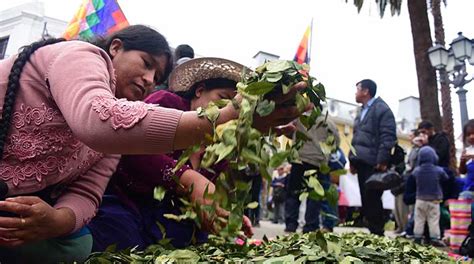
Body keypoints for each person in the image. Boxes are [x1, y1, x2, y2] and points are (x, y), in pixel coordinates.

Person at [0, 25, 306, 262]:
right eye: (145, 64)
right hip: (126, 202)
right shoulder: (82, 56)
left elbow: (87, 190)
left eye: (156, 74)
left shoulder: (218, 146)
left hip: (22, 201)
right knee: (118, 232)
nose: (149, 79)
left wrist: (56, 220)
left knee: (81, 243)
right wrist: (226, 119)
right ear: (115, 48)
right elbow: (99, 122)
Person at [88, 57, 253, 251]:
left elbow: (212, 192)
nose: (229, 111)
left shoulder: (223, 144)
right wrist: (186, 176)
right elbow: (133, 146)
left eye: (237, 108)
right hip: (129, 202)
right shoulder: (167, 103)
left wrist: (223, 213)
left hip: (172, 219)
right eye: (222, 98)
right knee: (122, 242)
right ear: (199, 90)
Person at [349, 79, 397, 236]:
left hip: (374, 162)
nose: (355, 93)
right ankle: (373, 231)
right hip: (361, 161)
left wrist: (382, 159)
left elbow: (388, 135)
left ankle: (378, 233)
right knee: (365, 198)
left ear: (365, 91)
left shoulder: (382, 109)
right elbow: (356, 138)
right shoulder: (361, 111)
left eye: (357, 89)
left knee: (373, 198)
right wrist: (352, 160)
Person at [284, 115, 340, 233]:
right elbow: (336, 141)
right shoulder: (328, 122)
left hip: (299, 160)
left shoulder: (299, 118)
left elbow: (287, 131)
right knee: (314, 197)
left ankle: (291, 224)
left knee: (294, 193)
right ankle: (310, 226)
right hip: (317, 163)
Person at [412, 146, 448, 247]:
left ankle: (417, 237)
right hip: (434, 200)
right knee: (433, 220)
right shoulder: (438, 170)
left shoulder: (417, 171)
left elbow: (412, 176)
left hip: (420, 199)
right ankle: (435, 238)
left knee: (419, 219)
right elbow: (446, 178)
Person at [459, 119, 474, 195]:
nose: (471, 136)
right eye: (468, 134)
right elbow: (462, 172)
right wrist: (462, 161)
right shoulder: (467, 150)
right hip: (469, 188)